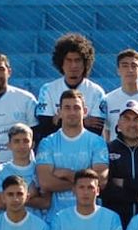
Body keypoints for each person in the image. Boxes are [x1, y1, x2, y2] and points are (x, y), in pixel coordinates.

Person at [36, 89, 109, 222]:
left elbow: (102, 180)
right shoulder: (48, 143)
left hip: (90, 219)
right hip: (56, 219)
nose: (72, 112)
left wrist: (67, 174)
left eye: (76, 108)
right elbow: (45, 183)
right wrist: (86, 184)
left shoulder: (97, 142)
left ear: (84, 111)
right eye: (67, 108)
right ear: (59, 112)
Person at [100, 99, 138, 229]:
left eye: (136, 119)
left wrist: (124, 183)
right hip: (116, 222)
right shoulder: (107, 150)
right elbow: (106, 189)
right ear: (118, 124)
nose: (132, 124)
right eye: (127, 119)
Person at [35, 33, 106, 143]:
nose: (73, 65)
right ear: (61, 62)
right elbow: (45, 128)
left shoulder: (97, 92)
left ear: (85, 63)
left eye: (78, 60)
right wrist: (83, 121)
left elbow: (96, 130)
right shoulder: (47, 90)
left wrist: (59, 119)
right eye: (69, 60)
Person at [101, 49, 138, 142]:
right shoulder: (108, 99)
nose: (130, 70)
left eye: (134, 66)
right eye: (125, 66)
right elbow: (107, 132)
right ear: (118, 70)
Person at [0, 123, 51, 217]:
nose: (21, 146)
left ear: (33, 144)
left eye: (26, 141)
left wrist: (11, 198)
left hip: (37, 222)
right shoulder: (0, 171)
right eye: (16, 141)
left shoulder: (41, 169)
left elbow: (46, 202)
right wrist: (31, 196)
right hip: (10, 223)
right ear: (9, 145)